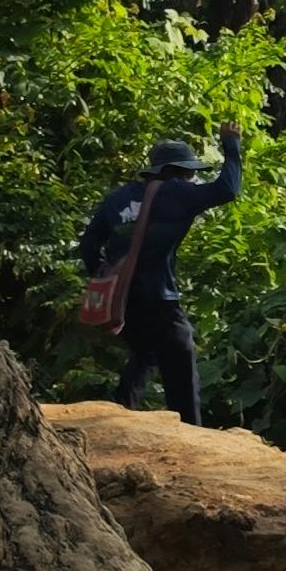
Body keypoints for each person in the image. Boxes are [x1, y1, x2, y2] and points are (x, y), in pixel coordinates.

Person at [79, 123, 246, 425]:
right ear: (177, 171)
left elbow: (89, 245)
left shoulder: (117, 198)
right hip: (159, 295)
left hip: (124, 297)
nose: (191, 177)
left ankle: (121, 412)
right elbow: (228, 189)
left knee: (144, 352)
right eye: (189, 172)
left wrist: (107, 279)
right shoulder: (177, 193)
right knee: (180, 361)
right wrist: (231, 144)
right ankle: (190, 431)